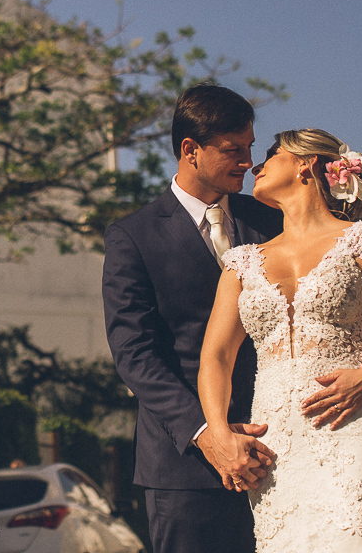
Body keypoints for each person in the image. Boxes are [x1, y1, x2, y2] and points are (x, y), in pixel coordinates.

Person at [198, 129, 362, 552]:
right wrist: (219, 433)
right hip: (274, 449)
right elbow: (215, 356)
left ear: (307, 164)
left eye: (271, 155)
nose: (256, 165)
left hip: (354, 428)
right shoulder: (241, 263)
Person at [103, 83, 283, 553]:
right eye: (233, 150)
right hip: (185, 470)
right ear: (190, 150)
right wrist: (210, 435)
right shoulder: (133, 237)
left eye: (250, 148)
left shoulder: (271, 222)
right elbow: (134, 355)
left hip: (279, 450)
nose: (247, 162)